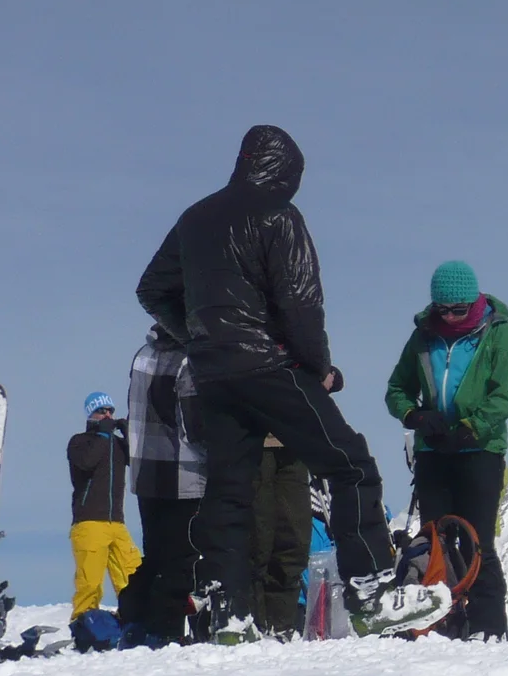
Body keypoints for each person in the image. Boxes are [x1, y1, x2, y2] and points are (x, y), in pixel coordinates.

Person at [135, 124, 449, 641]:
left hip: (213, 376)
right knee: (350, 466)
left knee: (229, 490)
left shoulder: (194, 218)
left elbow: (152, 289)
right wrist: (318, 366)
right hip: (269, 367)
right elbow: (301, 302)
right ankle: (371, 593)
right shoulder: (279, 215)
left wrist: (197, 338)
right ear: (286, 172)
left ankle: (228, 614)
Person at [385, 260, 508, 640]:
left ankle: (488, 626)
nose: (448, 317)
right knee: (435, 538)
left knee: (478, 540)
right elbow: (396, 389)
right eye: (442, 310)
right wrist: (415, 417)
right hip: (433, 453)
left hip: (480, 451)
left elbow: (504, 397)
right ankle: (440, 620)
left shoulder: (500, 335)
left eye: (457, 310)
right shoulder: (424, 337)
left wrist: (469, 429)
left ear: (474, 303)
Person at [121, 326, 204, 642]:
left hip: (147, 475)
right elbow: (196, 426)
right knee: (182, 559)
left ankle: (135, 620)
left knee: (155, 555)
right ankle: (165, 633)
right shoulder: (188, 359)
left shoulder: (145, 354)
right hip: (184, 473)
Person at [67, 392, 142, 619]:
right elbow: (86, 463)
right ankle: (83, 625)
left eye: (110, 410)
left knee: (132, 574)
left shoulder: (117, 445)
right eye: (102, 411)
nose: (107, 414)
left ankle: (135, 620)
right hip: (89, 522)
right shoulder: (80, 442)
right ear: (91, 414)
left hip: (117, 523)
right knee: (90, 582)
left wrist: (128, 432)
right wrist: (102, 434)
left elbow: (138, 460)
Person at [252, 437, 312, 637]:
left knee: (295, 540)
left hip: (293, 440)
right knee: (257, 541)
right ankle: (255, 628)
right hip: (250, 442)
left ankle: (282, 629)